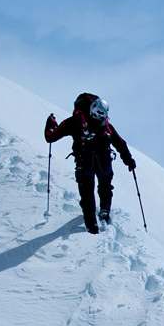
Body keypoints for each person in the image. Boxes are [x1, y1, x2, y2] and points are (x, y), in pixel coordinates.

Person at [44, 93, 136, 234]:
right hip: (104, 160)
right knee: (105, 186)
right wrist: (128, 160)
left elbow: (51, 137)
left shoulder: (74, 122)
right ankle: (104, 211)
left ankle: (91, 226)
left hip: (84, 161)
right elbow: (120, 143)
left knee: (87, 193)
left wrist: (51, 124)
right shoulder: (106, 125)